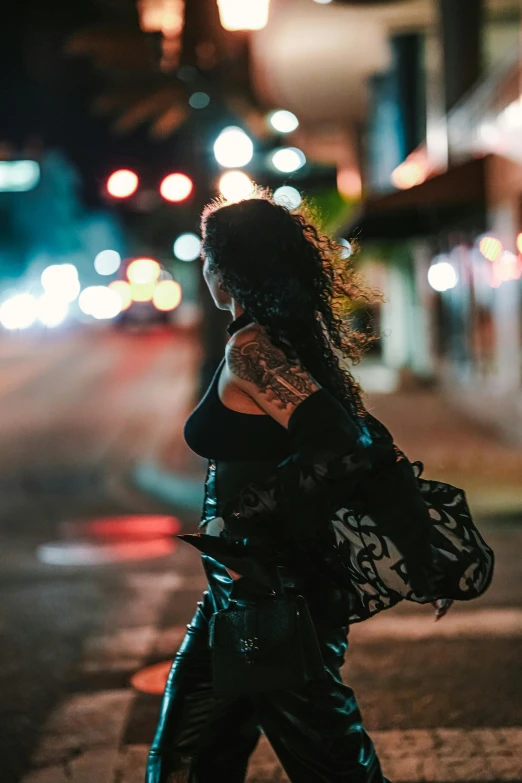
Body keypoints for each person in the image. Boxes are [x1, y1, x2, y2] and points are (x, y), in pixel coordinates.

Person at [145, 192, 450, 783]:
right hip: (241, 594)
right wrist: (421, 553)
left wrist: (244, 518)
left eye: (209, 256)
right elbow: (371, 451)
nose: (204, 268)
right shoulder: (284, 343)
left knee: (334, 768)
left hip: (275, 598)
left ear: (227, 269)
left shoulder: (253, 350)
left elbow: (344, 447)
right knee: (188, 753)